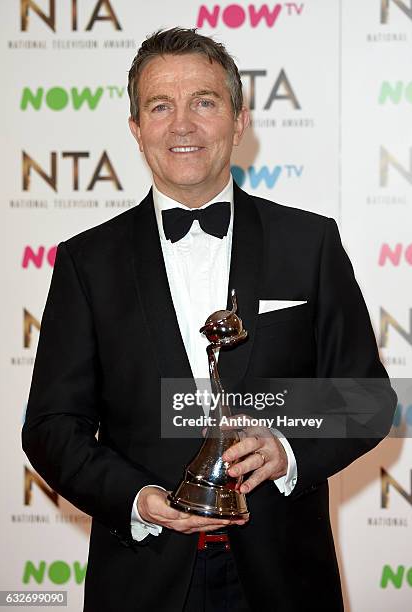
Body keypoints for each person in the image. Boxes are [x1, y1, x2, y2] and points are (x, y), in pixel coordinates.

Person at [22, 27, 396, 612]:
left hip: (284, 578)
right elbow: (50, 426)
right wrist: (136, 498)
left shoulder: (310, 242)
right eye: (160, 106)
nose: (182, 126)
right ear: (136, 128)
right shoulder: (86, 262)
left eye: (204, 102)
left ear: (239, 120)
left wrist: (288, 447)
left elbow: (369, 398)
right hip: (144, 578)